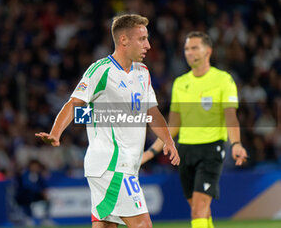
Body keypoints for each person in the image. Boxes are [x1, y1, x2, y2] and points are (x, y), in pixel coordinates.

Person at [36, 14, 180, 228]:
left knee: (105, 226)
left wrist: (168, 140)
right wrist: (56, 132)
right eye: (142, 39)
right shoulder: (101, 70)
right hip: (112, 165)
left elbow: (152, 111)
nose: (148, 45)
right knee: (143, 225)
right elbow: (74, 103)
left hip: (123, 166)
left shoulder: (143, 72)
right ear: (123, 40)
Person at [141, 31, 248, 228]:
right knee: (200, 211)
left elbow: (230, 116)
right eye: (187, 49)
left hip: (211, 150)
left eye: (194, 48)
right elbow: (173, 126)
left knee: (198, 210)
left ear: (208, 51)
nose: (189, 52)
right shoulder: (181, 83)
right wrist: (149, 153)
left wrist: (236, 144)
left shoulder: (223, 80)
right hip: (185, 151)